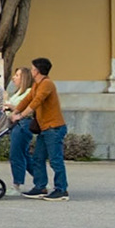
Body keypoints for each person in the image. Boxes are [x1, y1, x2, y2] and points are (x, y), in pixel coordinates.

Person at [18, 57, 69, 199]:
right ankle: (40, 187)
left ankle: (61, 189)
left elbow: (36, 102)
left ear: (38, 70)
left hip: (54, 128)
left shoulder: (47, 84)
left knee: (55, 160)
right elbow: (27, 99)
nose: (31, 70)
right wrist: (15, 111)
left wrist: (21, 115)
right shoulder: (36, 84)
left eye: (33, 68)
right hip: (44, 129)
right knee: (38, 158)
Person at [4, 65, 38, 189]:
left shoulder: (29, 92)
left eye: (17, 75)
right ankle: (41, 180)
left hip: (23, 124)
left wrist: (11, 107)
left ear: (24, 78)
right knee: (25, 155)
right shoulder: (17, 92)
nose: (14, 78)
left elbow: (26, 109)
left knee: (16, 154)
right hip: (16, 125)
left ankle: (17, 185)